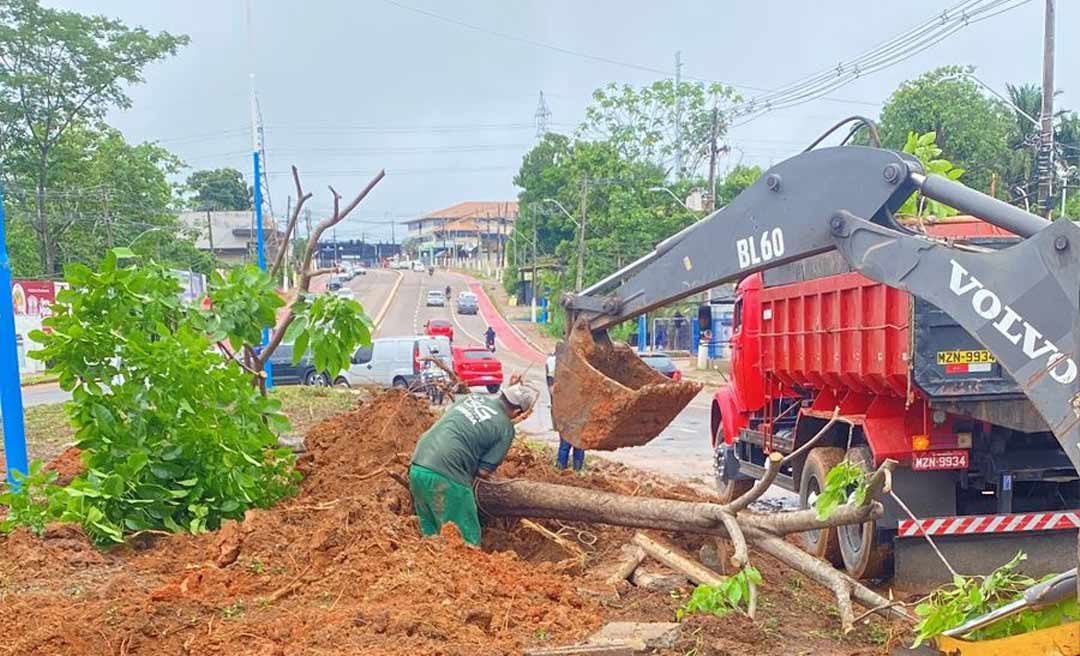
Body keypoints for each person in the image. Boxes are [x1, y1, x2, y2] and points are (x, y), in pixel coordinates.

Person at [409, 383, 538, 546]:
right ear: (517, 412)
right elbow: (483, 471)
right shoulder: (505, 429)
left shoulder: (472, 397)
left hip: (418, 465)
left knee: (430, 539)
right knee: (465, 542)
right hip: (447, 476)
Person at [546, 352, 585, 472]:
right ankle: (567, 468)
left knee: (573, 444)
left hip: (574, 411)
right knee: (570, 443)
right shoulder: (557, 364)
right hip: (570, 412)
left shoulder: (555, 363)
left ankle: (566, 468)